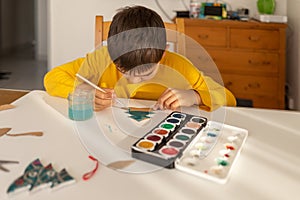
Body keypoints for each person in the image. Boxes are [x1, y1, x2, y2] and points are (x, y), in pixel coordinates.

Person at [44, 5, 236, 112]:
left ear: (163, 54)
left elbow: (229, 98)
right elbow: (52, 78)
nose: (134, 81)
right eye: (123, 72)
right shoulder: (102, 58)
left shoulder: (180, 67)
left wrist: (195, 96)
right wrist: (81, 93)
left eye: (145, 74)